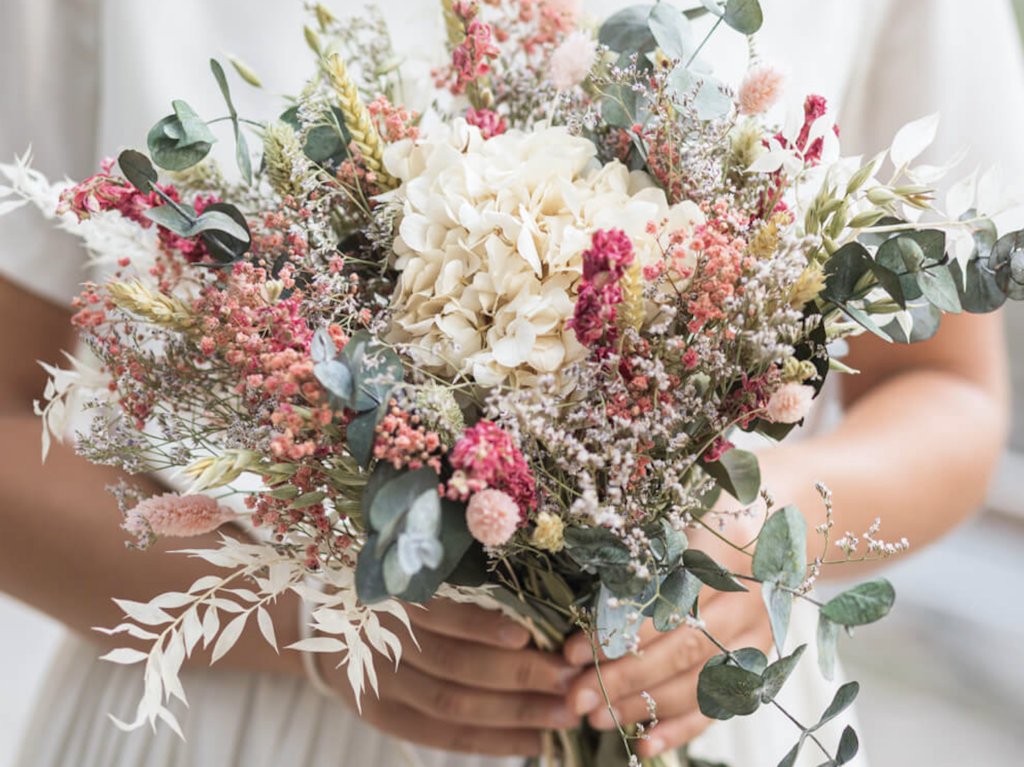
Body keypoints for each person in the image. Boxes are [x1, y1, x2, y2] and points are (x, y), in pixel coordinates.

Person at [0, 0, 1019, 765]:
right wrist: (318, 623)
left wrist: (761, 535)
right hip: (230, 724)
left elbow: (946, 385)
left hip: (686, 699)